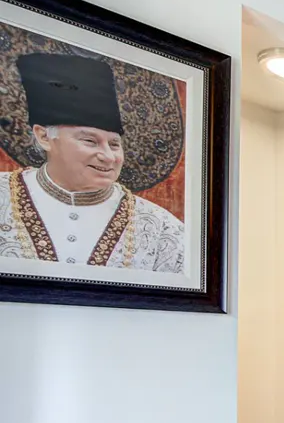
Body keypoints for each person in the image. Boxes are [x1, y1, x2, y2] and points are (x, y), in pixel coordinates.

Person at [0, 53, 184, 272]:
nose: (108, 156)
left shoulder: (162, 228)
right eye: (90, 141)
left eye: (115, 144)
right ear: (44, 137)